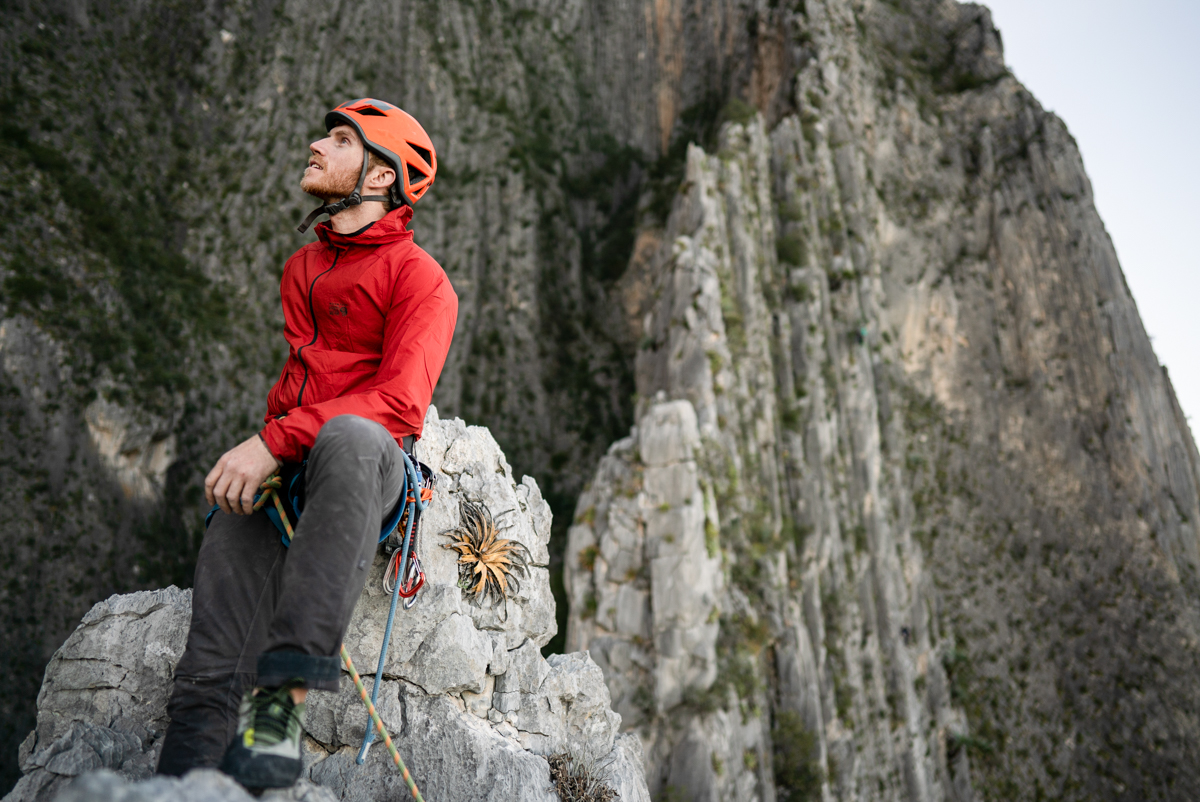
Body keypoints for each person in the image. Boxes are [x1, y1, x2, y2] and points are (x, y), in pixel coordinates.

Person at [155, 98, 457, 790]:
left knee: (351, 434)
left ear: (381, 179)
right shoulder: (304, 267)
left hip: (364, 468)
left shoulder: (421, 281)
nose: (318, 145)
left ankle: (279, 705)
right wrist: (269, 452)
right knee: (208, 659)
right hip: (290, 474)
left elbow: (399, 405)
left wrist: (272, 440)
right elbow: (301, 383)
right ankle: (177, 783)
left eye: (341, 140)